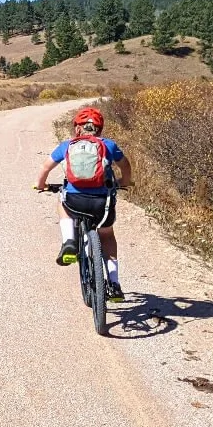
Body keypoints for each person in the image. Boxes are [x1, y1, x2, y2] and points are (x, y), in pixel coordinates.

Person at [35, 106, 132, 301]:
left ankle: (69, 241)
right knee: (107, 236)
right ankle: (113, 283)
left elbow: (45, 168)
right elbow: (125, 165)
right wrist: (124, 182)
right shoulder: (109, 145)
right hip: (101, 203)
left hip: (75, 200)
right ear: (100, 129)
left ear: (77, 128)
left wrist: (41, 185)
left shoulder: (67, 145)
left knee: (62, 205)